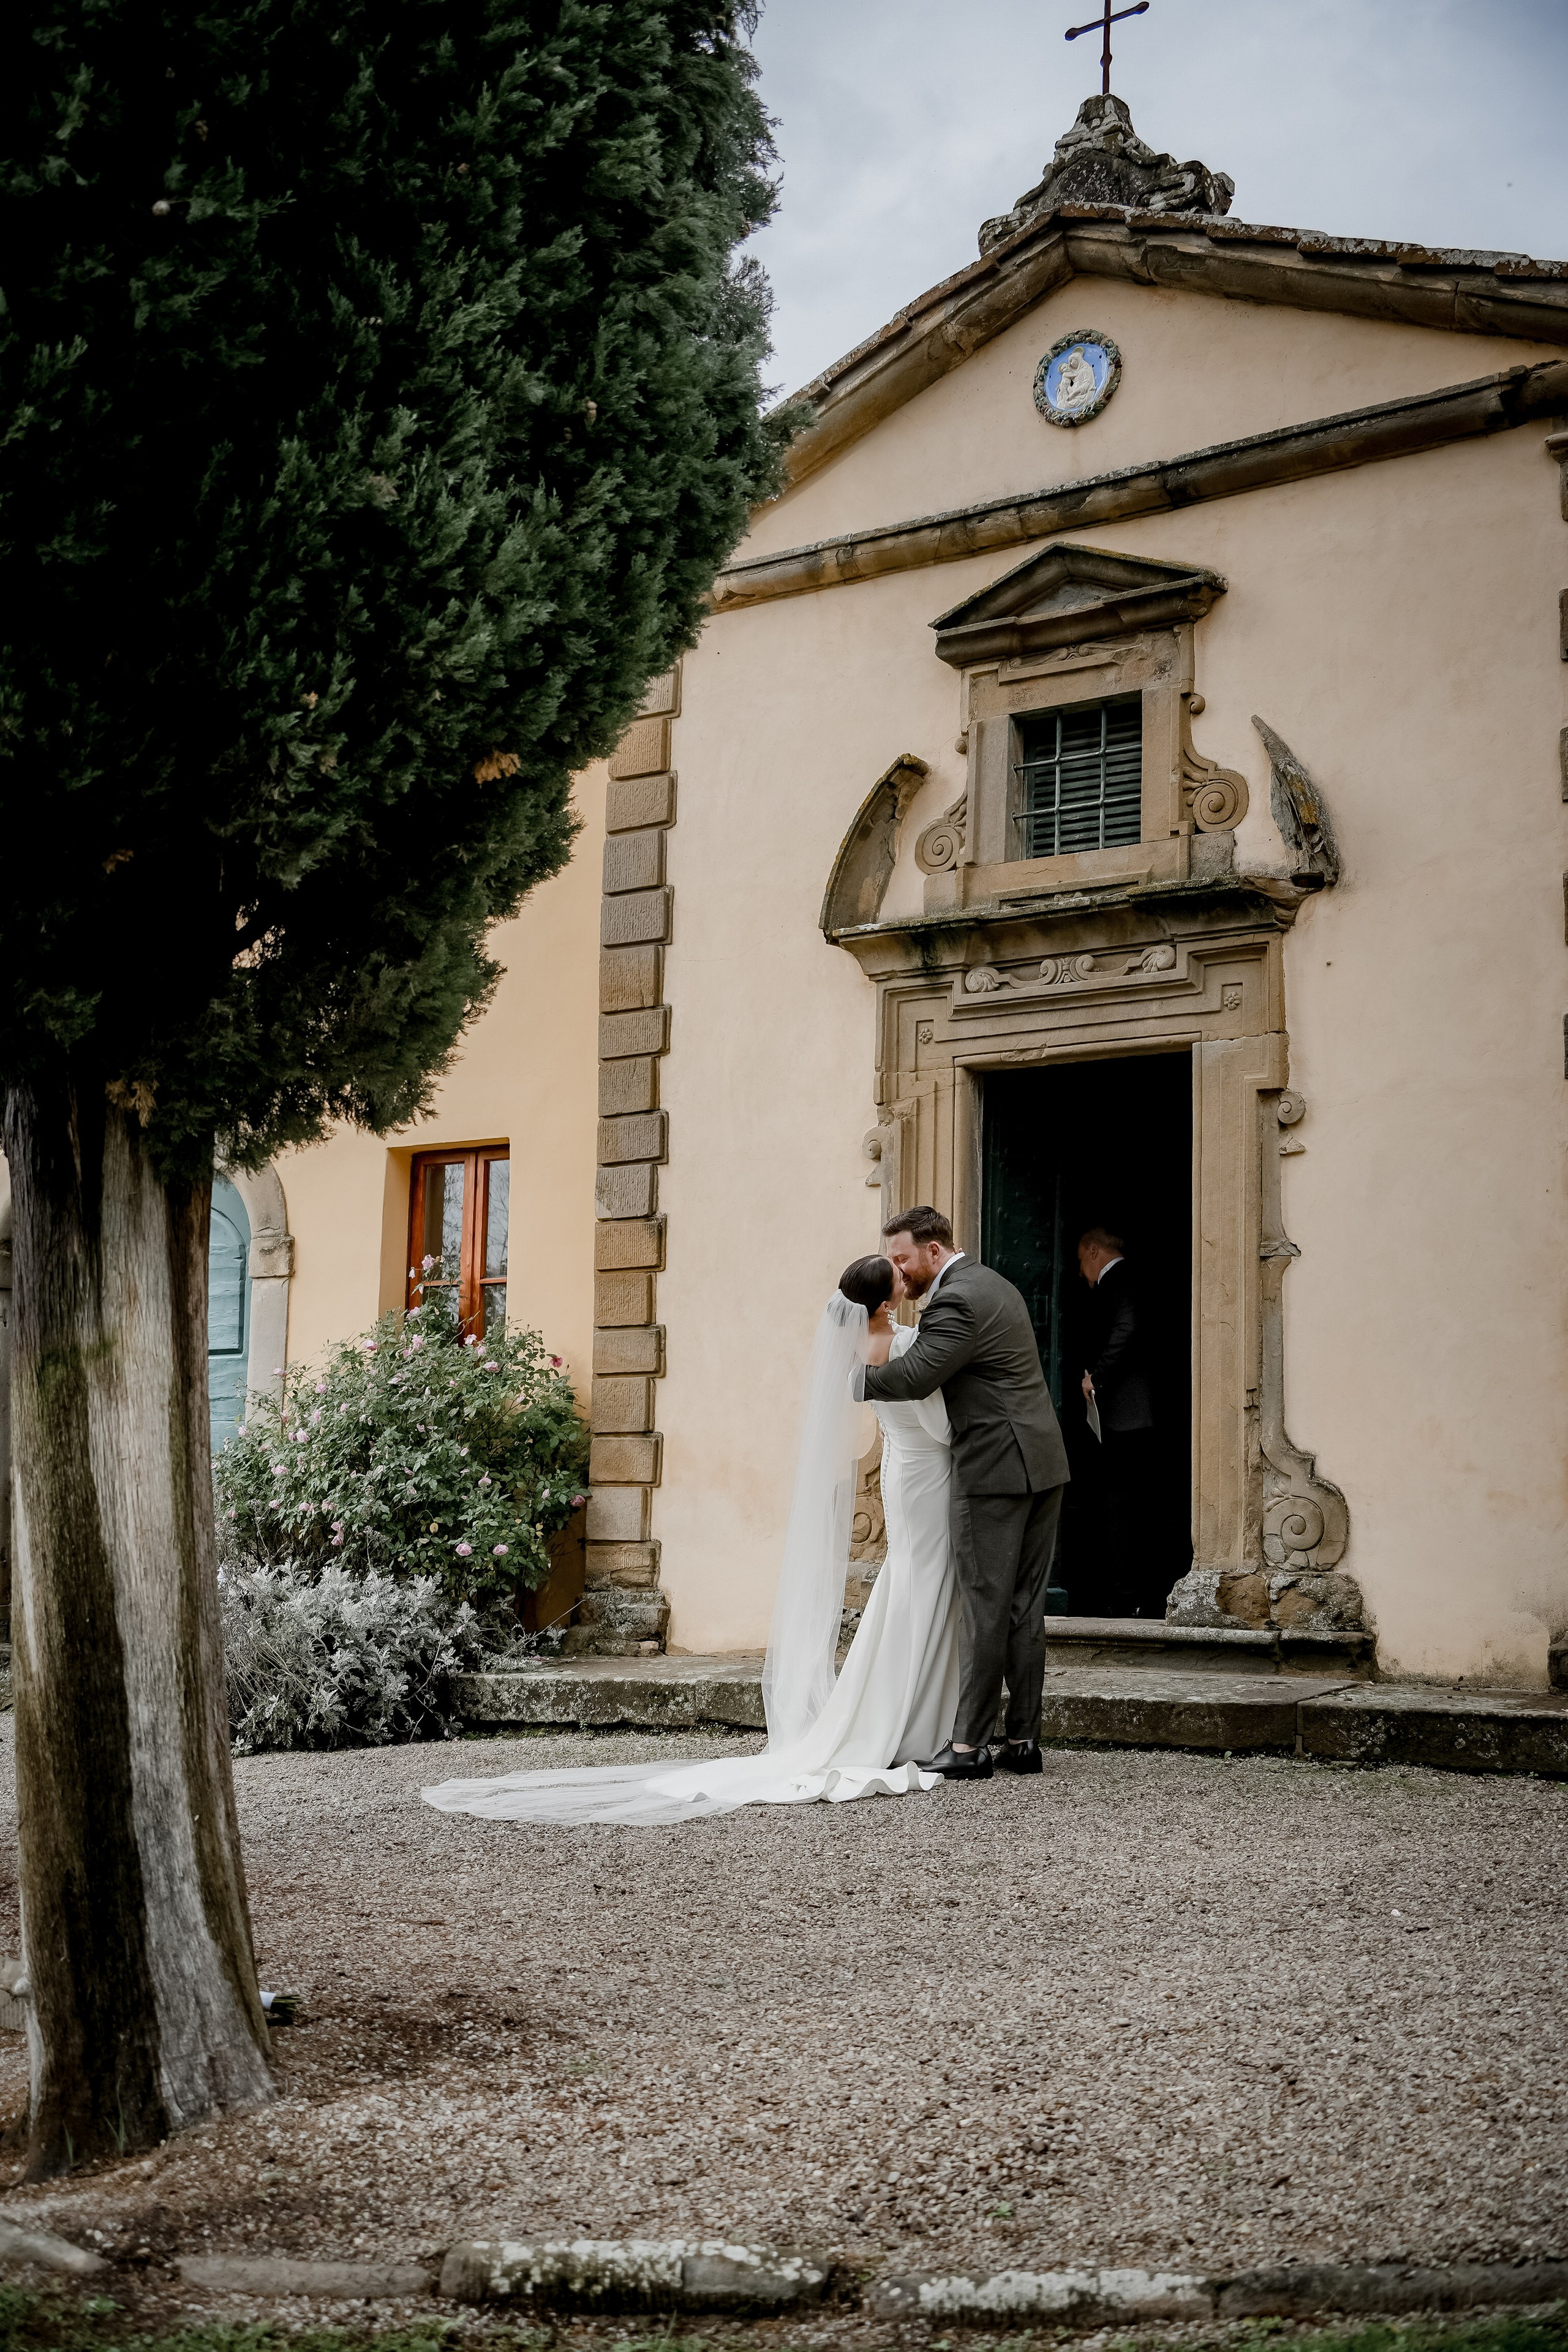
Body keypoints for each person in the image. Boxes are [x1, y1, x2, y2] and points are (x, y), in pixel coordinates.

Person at [421, 1252, 962, 1828]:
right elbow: (940, 1426)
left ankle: (898, 1714)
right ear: (883, 1300)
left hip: (903, 1477)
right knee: (923, 1585)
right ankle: (912, 1716)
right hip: (926, 1476)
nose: (906, 1275)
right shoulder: (904, 1347)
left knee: (908, 1586)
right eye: (897, 1275)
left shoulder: (859, 1353)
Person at [861, 1207, 1068, 1782]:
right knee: (1024, 1606)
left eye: (902, 1257)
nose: (898, 1270)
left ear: (933, 1250)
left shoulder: (955, 1299)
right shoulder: (994, 1282)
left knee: (984, 1604)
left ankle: (970, 1745)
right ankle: (1022, 1741)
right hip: (1042, 1461)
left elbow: (916, 1377)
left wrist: (854, 1381)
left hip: (995, 1468)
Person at [1077, 1226, 1156, 1615]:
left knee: (1120, 1504)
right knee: (1126, 1503)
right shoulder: (1132, 1279)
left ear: (1094, 1251)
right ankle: (1127, 1593)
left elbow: (1127, 1328)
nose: (1081, 1273)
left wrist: (1097, 1377)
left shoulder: (1120, 1279)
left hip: (1127, 1416)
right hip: (1134, 1415)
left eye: (1081, 1261)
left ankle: (1126, 1598)